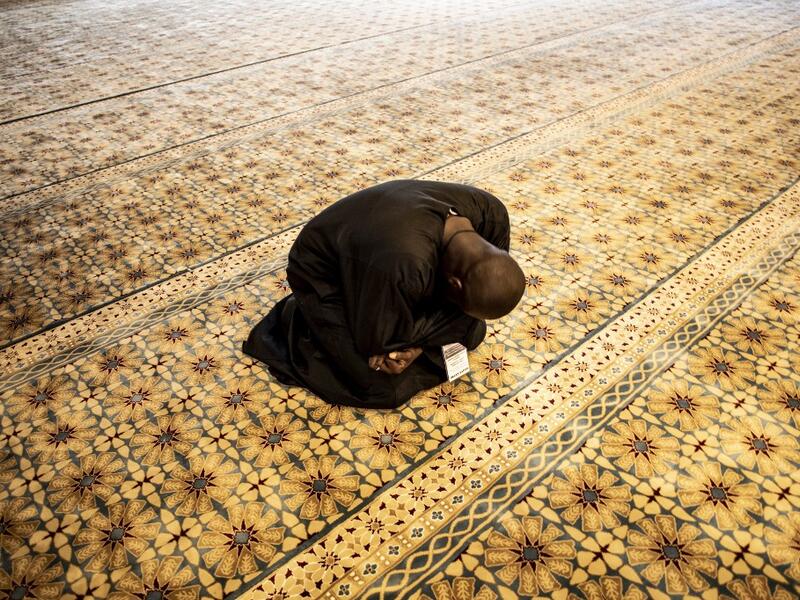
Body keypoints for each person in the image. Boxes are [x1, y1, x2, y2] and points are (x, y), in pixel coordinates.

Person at [243, 179, 525, 409]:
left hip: (385, 262)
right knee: (377, 386)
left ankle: (421, 334)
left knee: (472, 332)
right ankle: (298, 317)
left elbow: (469, 306)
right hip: (325, 275)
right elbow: (377, 342)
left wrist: (413, 346)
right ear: (454, 284)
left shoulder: (493, 217)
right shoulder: (405, 265)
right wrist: (407, 342)